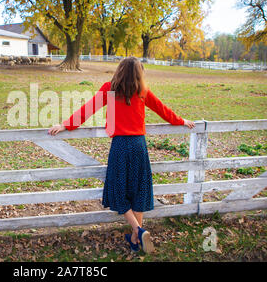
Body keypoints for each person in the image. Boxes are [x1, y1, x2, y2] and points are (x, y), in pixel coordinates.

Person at [48, 57, 195, 254]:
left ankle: (137, 230)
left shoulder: (110, 89)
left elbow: (87, 110)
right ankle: (136, 241)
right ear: (139, 73)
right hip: (139, 146)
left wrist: (65, 125)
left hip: (120, 146)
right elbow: (163, 110)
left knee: (117, 190)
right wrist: (181, 120)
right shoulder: (142, 91)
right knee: (139, 190)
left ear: (119, 70)